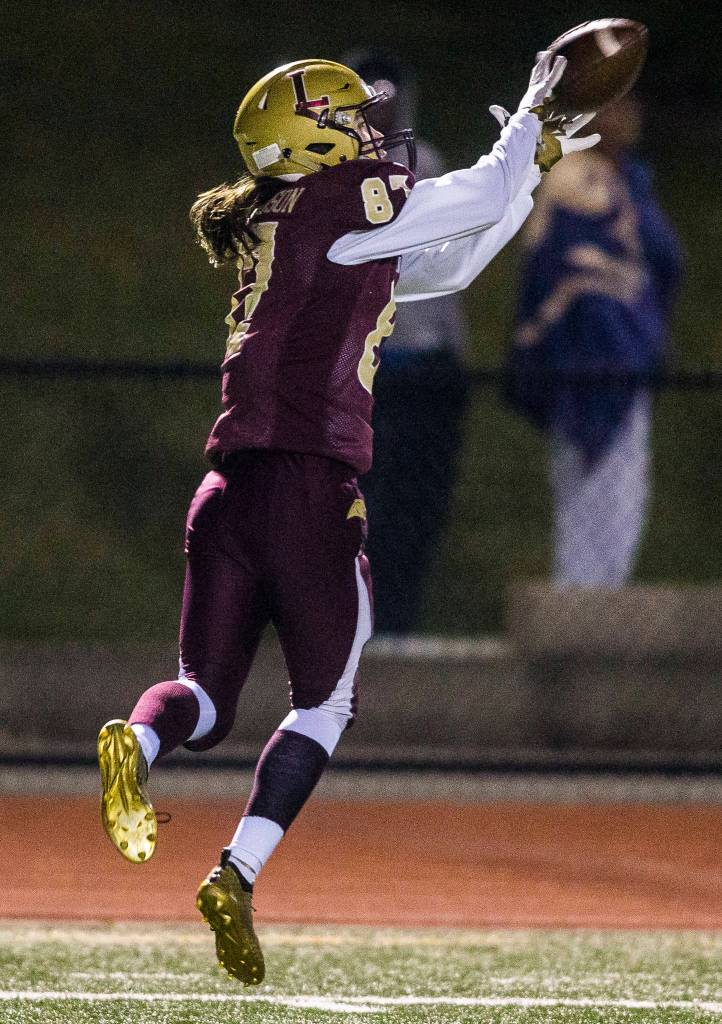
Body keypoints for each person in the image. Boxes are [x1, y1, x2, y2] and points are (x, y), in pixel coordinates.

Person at [96, 55, 598, 985]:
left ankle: (142, 738)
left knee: (201, 697)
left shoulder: (274, 223)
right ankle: (237, 872)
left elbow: (446, 268)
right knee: (326, 702)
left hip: (226, 492)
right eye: (353, 119)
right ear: (311, 138)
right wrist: (529, 120)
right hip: (310, 492)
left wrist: (528, 169)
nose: (374, 130)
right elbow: (472, 194)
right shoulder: (341, 205)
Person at [505, 93, 682, 586]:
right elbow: (565, 275)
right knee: (592, 500)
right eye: (615, 107)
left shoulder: (625, 179)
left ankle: (591, 615)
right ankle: (579, 620)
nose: (627, 118)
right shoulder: (580, 176)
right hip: (592, 360)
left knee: (617, 500)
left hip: (620, 361)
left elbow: (663, 263)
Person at [342, 50, 469, 636]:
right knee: (350, 508)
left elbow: (447, 274)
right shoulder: (331, 173)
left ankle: (397, 622)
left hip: (423, 371)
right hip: (362, 372)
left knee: (413, 509)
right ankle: (344, 623)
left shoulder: (429, 165)